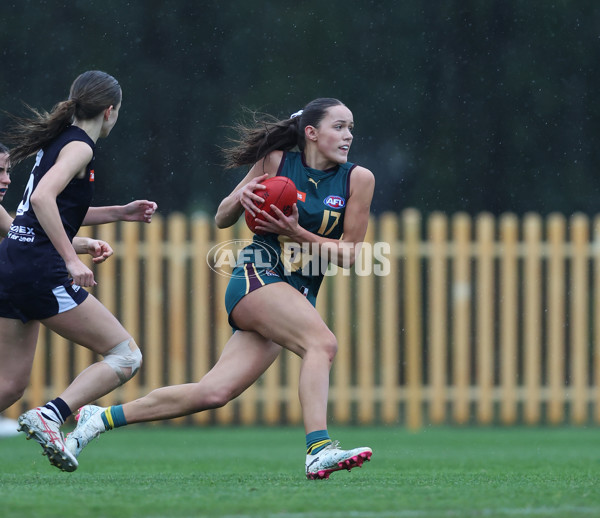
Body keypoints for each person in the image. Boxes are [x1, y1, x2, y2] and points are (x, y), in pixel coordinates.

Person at [67, 98, 375, 480]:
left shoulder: (358, 179)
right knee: (322, 344)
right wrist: (239, 198)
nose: (348, 136)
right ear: (311, 133)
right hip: (257, 276)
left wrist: (297, 233)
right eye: (339, 127)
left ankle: (100, 418)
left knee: (214, 392)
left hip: (297, 292)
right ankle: (318, 449)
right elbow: (221, 217)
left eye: (350, 129)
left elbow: (349, 255)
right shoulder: (276, 162)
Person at [0, 71, 157, 472]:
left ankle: (47, 414)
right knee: (126, 356)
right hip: (39, 269)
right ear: (110, 111)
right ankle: (51, 416)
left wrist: (120, 213)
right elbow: (41, 198)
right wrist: (71, 260)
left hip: (12, 263)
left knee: (8, 385)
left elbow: (55, 207)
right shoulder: (80, 147)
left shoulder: (58, 141)